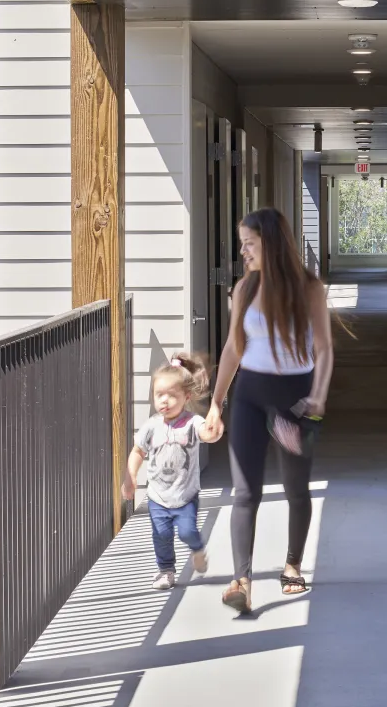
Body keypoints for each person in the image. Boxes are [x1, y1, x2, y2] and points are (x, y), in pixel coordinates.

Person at [206, 207, 334, 614]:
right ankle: (240, 579)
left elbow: (325, 349)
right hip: (249, 393)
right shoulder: (243, 290)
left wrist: (318, 396)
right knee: (245, 491)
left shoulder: (310, 289)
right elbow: (232, 349)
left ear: (271, 243)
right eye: (242, 243)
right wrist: (216, 403)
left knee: (297, 488)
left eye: (249, 243)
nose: (243, 251)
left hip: (297, 396)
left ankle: (293, 563)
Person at [123, 351, 219, 590]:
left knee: (187, 532)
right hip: (157, 496)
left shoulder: (191, 422)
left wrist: (214, 429)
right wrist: (131, 477)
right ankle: (166, 571)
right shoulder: (151, 426)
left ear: (186, 397)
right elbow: (137, 451)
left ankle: (197, 548)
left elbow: (206, 433)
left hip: (185, 495)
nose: (164, 400)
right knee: (161, 536)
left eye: (171, 396)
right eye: (159, 395)